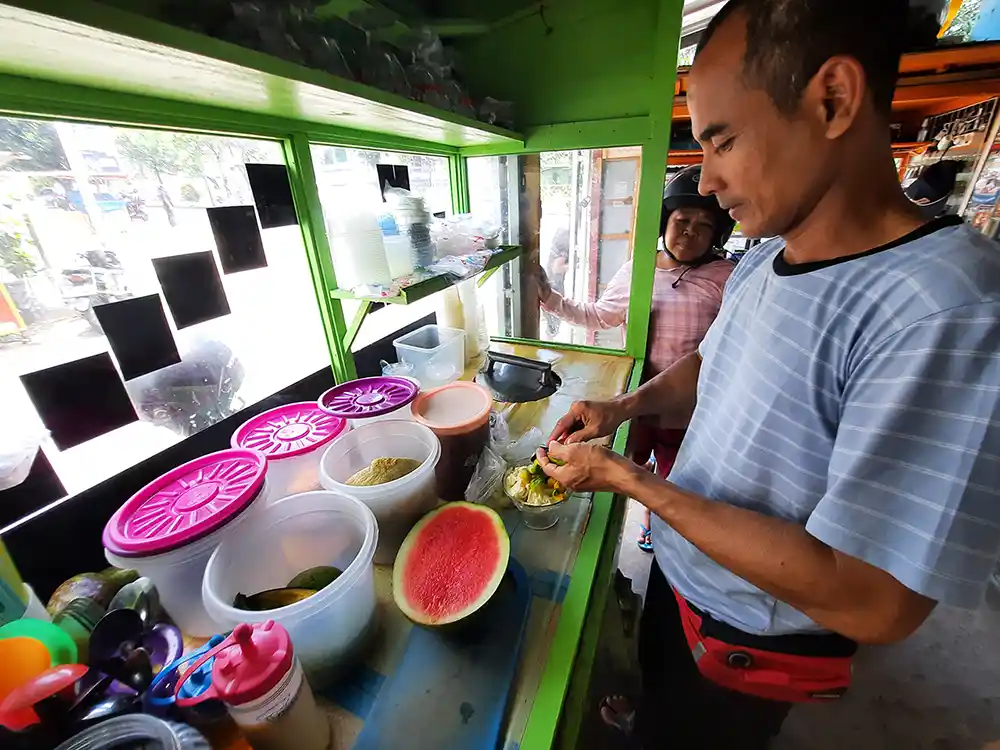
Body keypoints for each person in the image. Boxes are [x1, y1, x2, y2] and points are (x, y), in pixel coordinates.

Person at [535, 1, 1000, 748]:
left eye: (721, 141)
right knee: (658, 694)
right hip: (689, 574)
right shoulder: (764, 261)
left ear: (834, 100)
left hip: (751, 633)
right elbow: (708, 366)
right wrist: (622, 408)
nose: (707, 183)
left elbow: (876, 600)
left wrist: (635, 482)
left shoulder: (945, 307)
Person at [536, 167, 735, 551]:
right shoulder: (638, 271)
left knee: (674, 482)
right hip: (633, 407)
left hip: (691, 411)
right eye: (682, 220)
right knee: (623, 472)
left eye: (704, 225)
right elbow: (599, 315)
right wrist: (550, 298)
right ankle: (619, 532)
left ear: (718, 234)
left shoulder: (726, 277)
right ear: (664, 222)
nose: (690, 231)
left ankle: (655, 526)